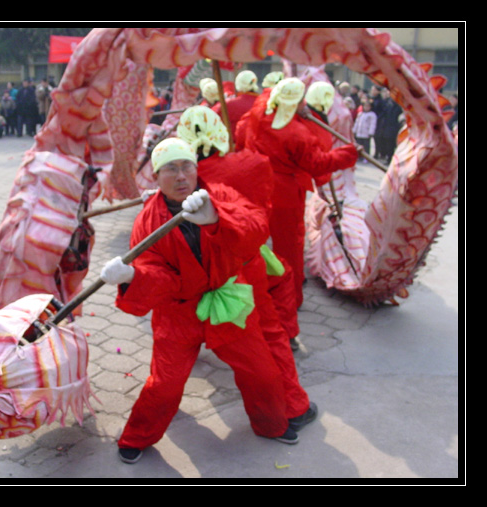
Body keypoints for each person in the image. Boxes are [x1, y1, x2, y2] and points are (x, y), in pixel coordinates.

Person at [100, 137, 314, 465]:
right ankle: (137, 436)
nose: (181, 175)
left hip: (228, 303)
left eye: (187, 166)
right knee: (165, 385)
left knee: (263, 372)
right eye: (170, 169)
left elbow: (256, 230)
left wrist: (217, 220)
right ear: (156, 177)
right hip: (178, 314)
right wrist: (133, 277)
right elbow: (163, 279)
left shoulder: (221, 196)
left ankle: (271, 424)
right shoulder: (147, 221)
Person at [177, 105, 314, 407]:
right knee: (270, 328)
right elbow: (263, 210)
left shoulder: (180, 179)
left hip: (196, 272)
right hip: (246, 262)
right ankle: (292, 405)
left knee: (173, 351)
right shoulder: (252, 163)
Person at [241, 77, 359, 308]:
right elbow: (318, 163)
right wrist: (349, 153)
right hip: (285, 193)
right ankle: (290, 299)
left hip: (257, 186)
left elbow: (240, 131)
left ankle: (255, 290)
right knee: (290, 248)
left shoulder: (259, 115)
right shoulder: (297, 133)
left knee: (255, 242)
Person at [211, 70, 260, 144]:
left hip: (234, 148)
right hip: (259, 149)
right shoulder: (265, 103)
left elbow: (211, 120)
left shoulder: (228, 104)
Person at [374, 87, 402, 164]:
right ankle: (386, 156)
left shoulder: (398, 104)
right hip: (386, 125)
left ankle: (390, 158)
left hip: (394, 125)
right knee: (386, 141)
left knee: (391, 143)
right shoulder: (387, 102)